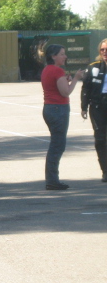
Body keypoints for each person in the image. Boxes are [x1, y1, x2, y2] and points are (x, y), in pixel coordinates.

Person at [40, 45, 83, 190]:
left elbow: (57, 87)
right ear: (53, 56)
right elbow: (65, 92)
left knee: (56, 144)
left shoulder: (47, 69)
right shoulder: (57, 70)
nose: (65, 57)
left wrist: (66, 80)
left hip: (49, 108)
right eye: (62, 54)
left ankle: (52, 179)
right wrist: (76, 78)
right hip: (58, 109)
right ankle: (52, 180)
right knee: (57, 145)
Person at [80, 38, 107, 182]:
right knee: (100, 140)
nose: (104, 52)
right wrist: (84, 107)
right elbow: (86, 88)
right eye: (102, 50)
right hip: (97, 107)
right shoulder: (93, 67)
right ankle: (105, 171)